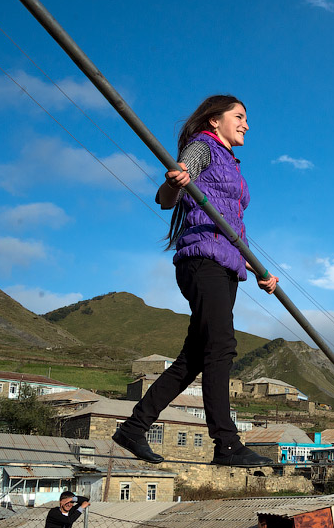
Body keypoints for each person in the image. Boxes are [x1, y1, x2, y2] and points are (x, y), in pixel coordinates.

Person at [112, 95, 277, 467]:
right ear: (215, 120)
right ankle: (227, 445)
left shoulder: (231, 163)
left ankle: (134, 428)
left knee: (195, 358)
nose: (246, 124)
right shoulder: (203, 147)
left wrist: (259, 272)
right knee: (222, 347)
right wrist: (175, 182)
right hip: (203, 263)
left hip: (227, 265)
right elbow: (167, 196)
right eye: (239, 116)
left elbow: (232, 231)